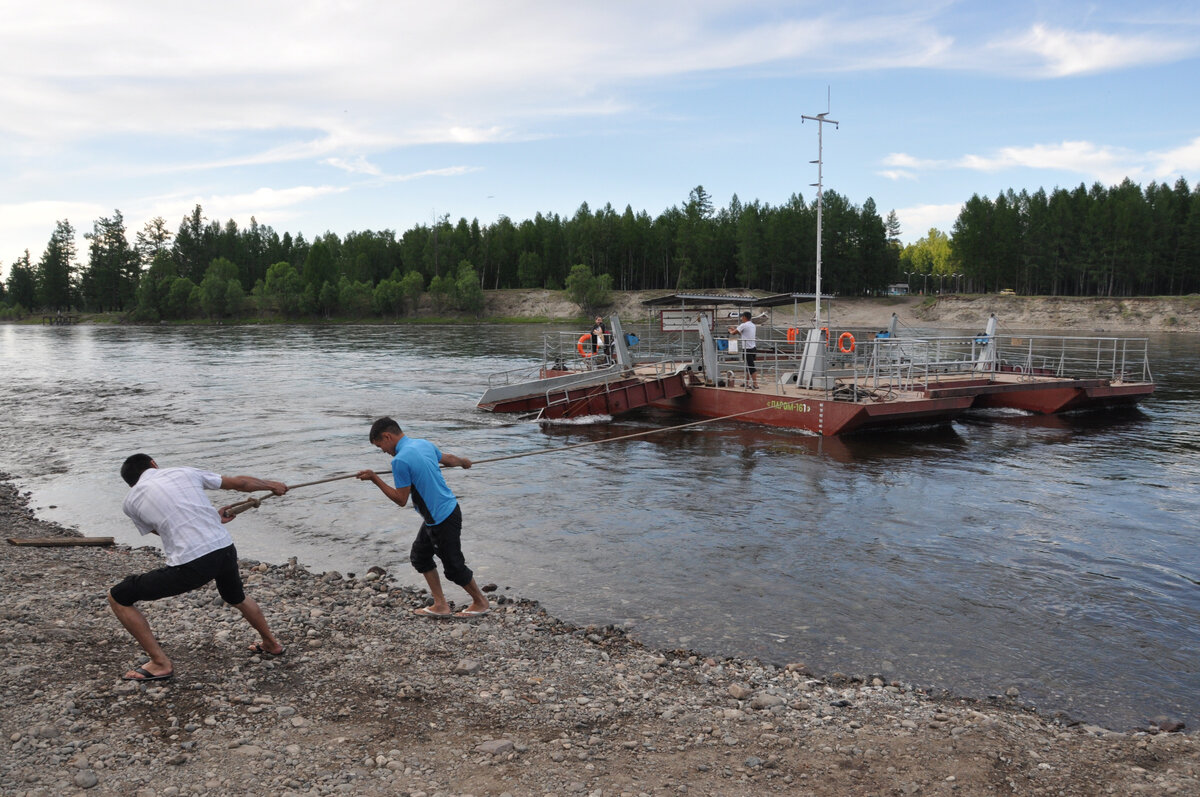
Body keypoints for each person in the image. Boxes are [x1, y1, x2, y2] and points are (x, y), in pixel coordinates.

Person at [108, 454, 289, 681]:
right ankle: (271, 644)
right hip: (224, 549)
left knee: (118, 596)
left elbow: (162, 527)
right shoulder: (182, 472)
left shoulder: (130, 503)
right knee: (236, 597)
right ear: (153, 464)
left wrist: (210, 517)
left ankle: (160, 663)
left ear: (131, 483)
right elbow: (240, 484)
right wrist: (270, 484)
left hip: (192, 565)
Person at [357, 417, 490, 619]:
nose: (382, 450)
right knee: (420, 556)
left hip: (441, 518)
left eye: (380, 446)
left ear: (387, 436)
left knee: (454, 567)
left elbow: (400, 500)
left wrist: (375, 479)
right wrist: (464, 462)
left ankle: (480, 602)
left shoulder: (400, 461)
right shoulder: (422, 443)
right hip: (446, 511)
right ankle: (440, 605)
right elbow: (449, 459)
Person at [728, 310, 759, 389]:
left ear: (745, 317)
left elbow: (733, 333)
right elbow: (743, 334)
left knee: (751, 367)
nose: (741, 318)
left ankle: (755, 384)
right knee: (748, 366)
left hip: (747, 349)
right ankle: (746, 383)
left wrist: (731, 330)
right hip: (753, 348)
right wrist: (735, 329)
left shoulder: (743, 325)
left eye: (742, 317)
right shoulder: (752, 325)